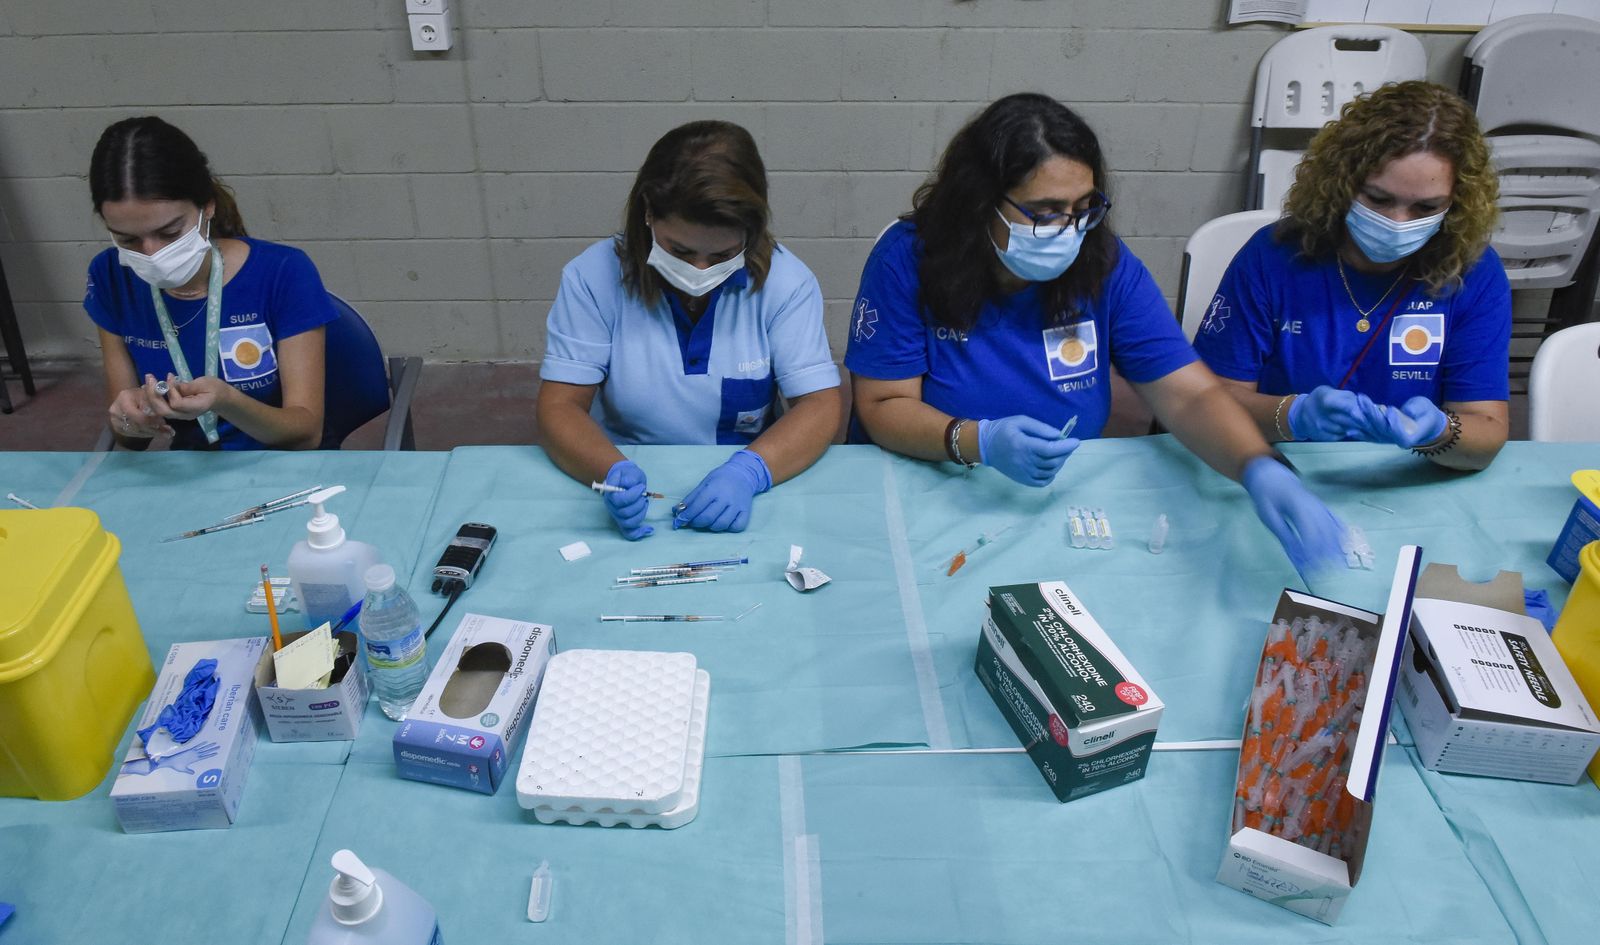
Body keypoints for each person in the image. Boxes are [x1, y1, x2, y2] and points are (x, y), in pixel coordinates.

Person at [845, 93, 1344, 573]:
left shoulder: (1101, 259)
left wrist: (1257, 465)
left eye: (1083, 207)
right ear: (981, 204)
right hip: (933, 479)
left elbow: (1186, 394)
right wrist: (979, 440)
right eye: (1044, 211)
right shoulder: (908, 259)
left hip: (1059, 494)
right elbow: (882, 405)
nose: (1069, 228)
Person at [537, 120, 842, 539]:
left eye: (722, 253)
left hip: (747, 468)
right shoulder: (592, 277)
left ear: (749, 233)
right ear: (648, 214)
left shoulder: (787, 284)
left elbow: (820, 407)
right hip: (628, 464)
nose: (699, 271)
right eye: (679, 250)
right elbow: (559, 407)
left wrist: (749, 472)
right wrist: (610, 470)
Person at [1193, 81, 1510, 471]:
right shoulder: (1273, 255)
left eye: (1426, 207)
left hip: (1402, 474)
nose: (1397, 222)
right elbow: (1210, 404)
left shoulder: (1472, 270)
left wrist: (1441, 432)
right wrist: (1292, 415)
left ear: (1457, 203)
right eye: (1378, 199)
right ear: (1342, 181)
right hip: (1283, 463)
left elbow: (1487, 433)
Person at [86, 116, 334, 450]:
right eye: (127, 239)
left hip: (283, 467)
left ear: (207, 207)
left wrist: (226, 400)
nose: (152, 253)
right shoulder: (111, 277)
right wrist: (132, 421)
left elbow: (305, 434)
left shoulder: (284, 272)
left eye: (170, 233)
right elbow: (129, 441)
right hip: (191, 476)